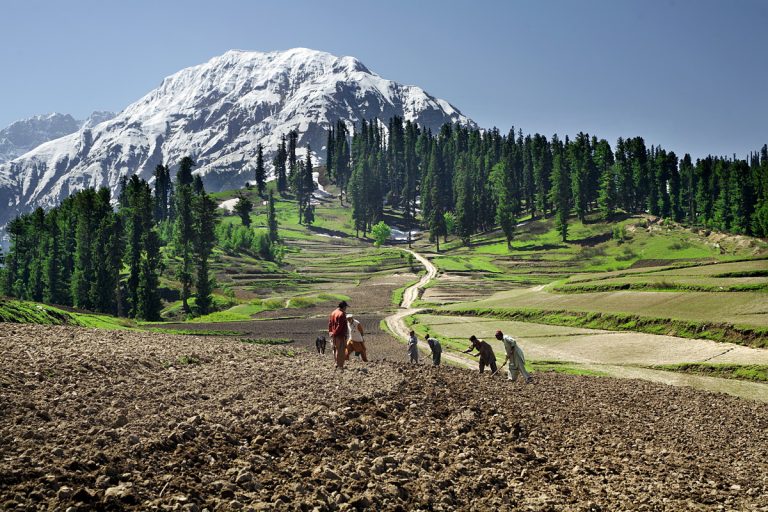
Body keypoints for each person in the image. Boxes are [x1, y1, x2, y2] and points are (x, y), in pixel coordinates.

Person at [328, 301, 349, 370]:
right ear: (344, 307)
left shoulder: (333, 312)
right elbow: (340, 326)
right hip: (340, 335)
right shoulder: (342, 314)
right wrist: (335, 333)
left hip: (333, 335)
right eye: (346, 307)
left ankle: (336, 364)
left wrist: (331, 332)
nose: (346, 309)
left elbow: (330, 324)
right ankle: (340, 366)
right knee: (341, 351)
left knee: (335, 350)